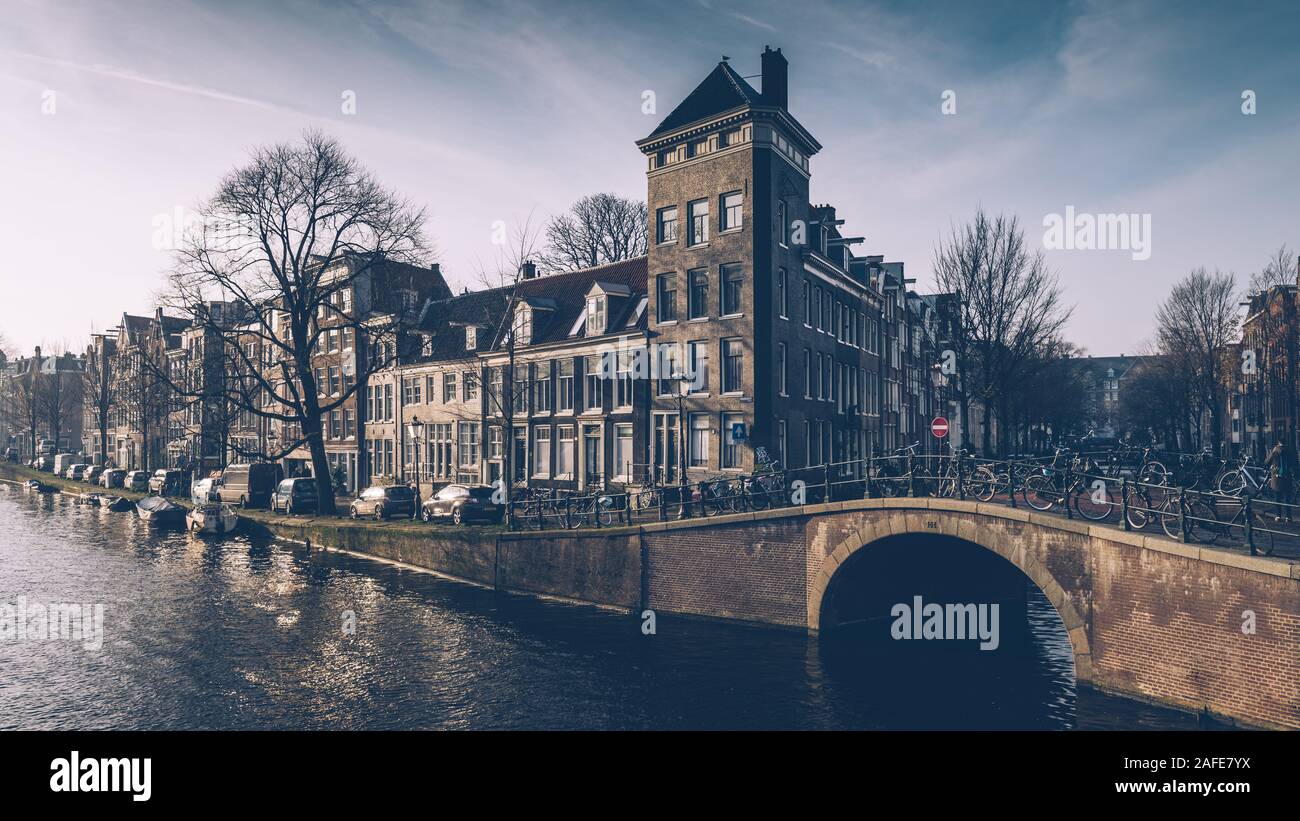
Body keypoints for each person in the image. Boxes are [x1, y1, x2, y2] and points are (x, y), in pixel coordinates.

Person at [1264, 436, 1296, 523]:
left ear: (1278, 442)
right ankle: (1288, 517)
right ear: (1286, 442)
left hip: (1276, 477)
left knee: (1277, 498)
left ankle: (1278, 516)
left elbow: (1267, 462)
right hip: (1287, 477)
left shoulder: (1275, 450)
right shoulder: (1290, 450)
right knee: (1287, 498)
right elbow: (1295, 463)